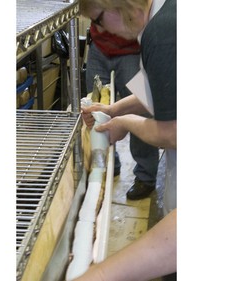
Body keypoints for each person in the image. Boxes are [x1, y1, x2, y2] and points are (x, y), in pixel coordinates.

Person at [75, 0, 177, 279]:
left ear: (116, 5)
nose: (99, 28)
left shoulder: (163, 32)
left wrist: (124, 123)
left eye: (97, 19)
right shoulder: (165, 17)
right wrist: (113, 110)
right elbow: (155, 91)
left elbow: (174, 133)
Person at [85, 22, 159, 200]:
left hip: (131, 50)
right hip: (99, 47)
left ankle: (145, 176)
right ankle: (110, 163)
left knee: (142, 110)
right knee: (96, 111)